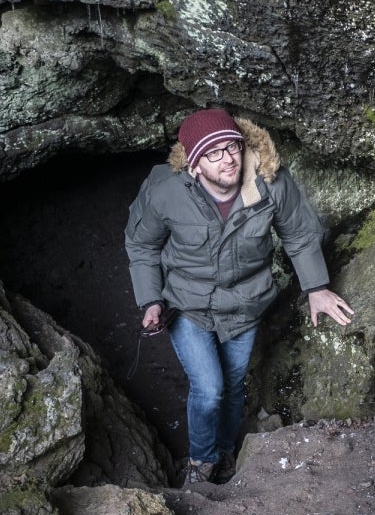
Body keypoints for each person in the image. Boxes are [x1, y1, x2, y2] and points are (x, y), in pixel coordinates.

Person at [125, 108, 354, 486]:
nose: (228, 158)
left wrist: (317, 288)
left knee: (233, 388)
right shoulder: (166, 190)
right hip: (187, 304)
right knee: (210, 388)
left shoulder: (269, 183)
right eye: (214, 154)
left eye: (232, 147)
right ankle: (201, 461)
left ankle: (226, 452)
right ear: (194, 165)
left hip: (246, 304)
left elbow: (298, 233)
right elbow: (142, 245)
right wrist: (151, 300)